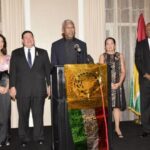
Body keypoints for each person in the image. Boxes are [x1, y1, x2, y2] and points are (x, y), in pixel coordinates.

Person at [9, 31, 51, 147]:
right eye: (25, 37)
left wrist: (49, 85)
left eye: (30, 37)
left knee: (38, 115)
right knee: (23, 116)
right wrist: (12, 86)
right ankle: (23, 138)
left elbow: (48, 71)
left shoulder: (43, 53)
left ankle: (39, 137)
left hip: (39, 89)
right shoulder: (16, 53)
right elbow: (12, 72)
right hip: (22, 90)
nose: (28, 39)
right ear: (22, 40)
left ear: (34, 38)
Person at [51, 19, 87, 150]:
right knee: (62, 115)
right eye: (68, 27)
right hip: (61, 87)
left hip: (78, 87)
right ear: (63, 30)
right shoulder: (55, 45)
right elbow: (53, 66)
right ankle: (63, 140)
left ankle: (77, 141)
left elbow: (84, 66)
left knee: (77, 114)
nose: (70, 29)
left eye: (72, 27)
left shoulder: (81, 44)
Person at [99, 37, 126, 138]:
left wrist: (119, 83)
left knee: (117, 107)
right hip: (106, 86)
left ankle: (117, 128)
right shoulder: (102, 56)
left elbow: (123, 71)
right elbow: (100, 73)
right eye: (107, 44)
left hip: (118, 85)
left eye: (111, 43)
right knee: (105, 108)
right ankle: (105, 130)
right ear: (105, 46)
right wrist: (108, 83)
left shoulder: (120, 56)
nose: (109, 46)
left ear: (115, 45)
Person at [135, 23, 150, 138]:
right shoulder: (140, 44)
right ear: (145, 30)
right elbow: (138, 60)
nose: (149, 30)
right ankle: (146, 129)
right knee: (145, 105)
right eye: (147, 28)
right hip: (145, 80)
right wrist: (145, 74)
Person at [0, 34, 11, 147]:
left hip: (6, 86)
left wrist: (7, 87)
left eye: (2, 41)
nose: (0, 43)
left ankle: (5, 137)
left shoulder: (8, 57)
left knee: (5, 114)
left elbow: (10, 74)